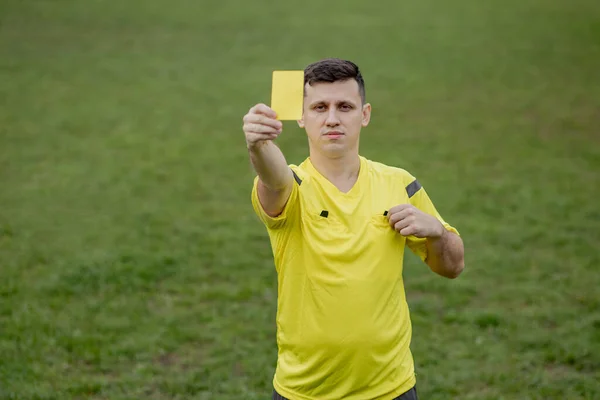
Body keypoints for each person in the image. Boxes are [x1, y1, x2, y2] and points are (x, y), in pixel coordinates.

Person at [244, 58, 465, 400]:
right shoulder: (293, 185)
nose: (332, 118)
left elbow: (452, 267)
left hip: (391, 388)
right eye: (319, 107)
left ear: (364, 114)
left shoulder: (399, 183)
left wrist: (437, 231)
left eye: (344, 106)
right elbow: (273, 179)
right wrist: (258, 146)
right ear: (301, 117)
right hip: (305, 391)